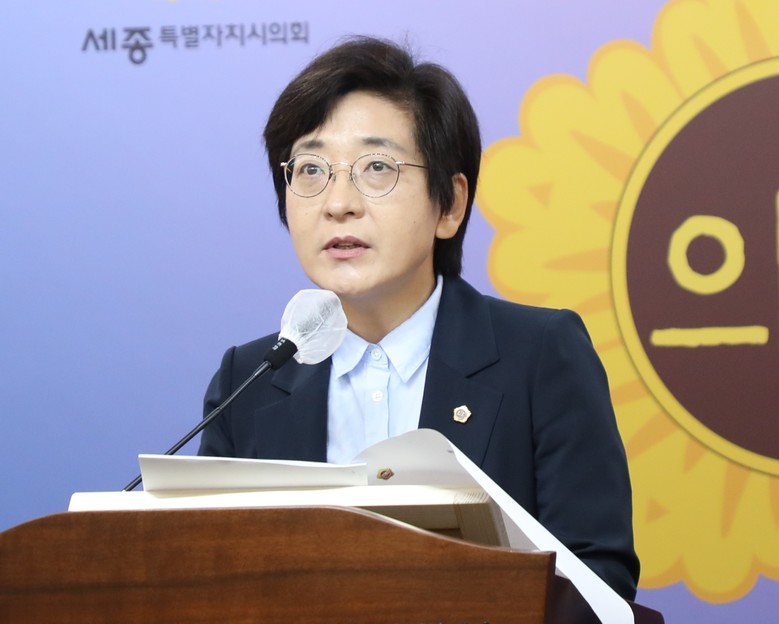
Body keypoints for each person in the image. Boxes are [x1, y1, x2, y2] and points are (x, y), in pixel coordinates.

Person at [199, 35, 640, 600]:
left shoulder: (539, 356)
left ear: (449, 204)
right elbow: (207, 582)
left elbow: (598, 583)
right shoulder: (250, 380)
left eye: (376, 167)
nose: (338, 203)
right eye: (310, 169)